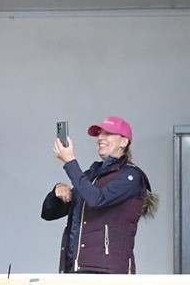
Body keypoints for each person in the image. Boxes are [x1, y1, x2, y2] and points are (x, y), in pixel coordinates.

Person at [41, 116, 157, 273]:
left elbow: (97, 199)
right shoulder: (90, 176)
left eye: (108, 134)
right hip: (74, 268)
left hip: (107, 271)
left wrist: (70, 162)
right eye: (99, 134)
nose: (100, 138)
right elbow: (49, 213)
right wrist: (57, 191)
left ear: (123, 142)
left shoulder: (131, 176)